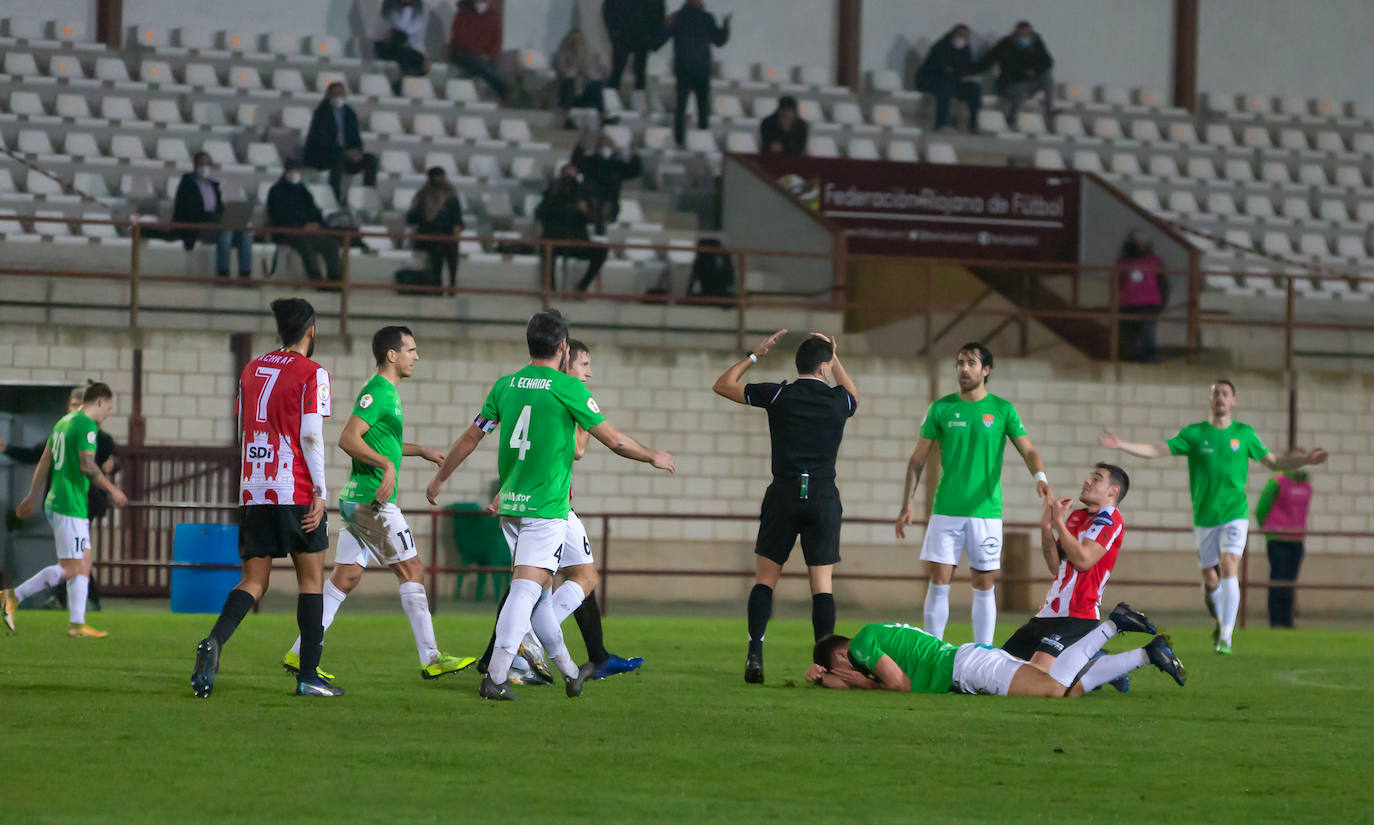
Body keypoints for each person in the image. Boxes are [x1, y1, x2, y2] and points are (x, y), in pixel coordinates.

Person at [424, 310, 675, 700]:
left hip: (511, 507)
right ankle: (497, 675)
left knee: (542, 593)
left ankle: (571, 672)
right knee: (525, 591)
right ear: (562, 347)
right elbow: (615, 441)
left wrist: (441, 477)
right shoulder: (567, 388)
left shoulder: (505, 386)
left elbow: (473, 437)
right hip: (545, 510)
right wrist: (651, 455)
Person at [282, 326, 475, 681]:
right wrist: (386, 466)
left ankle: (299, 653)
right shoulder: (378, 392)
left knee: (347, 576)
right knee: (412, 571)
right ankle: (431, 657)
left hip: (357, 502)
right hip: (373, 502)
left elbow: (383, 444)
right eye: (411, 350)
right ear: (392, 355)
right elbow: (348, 439)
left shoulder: (389, 394)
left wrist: (421, 452)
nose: (416, 356)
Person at [1098, 380, 1328, 654]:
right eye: (1216, 393)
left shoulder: (1244, 434)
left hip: (1235, 513)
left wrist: (1306, 461)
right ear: (1210, 400)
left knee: (1230, 564)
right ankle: (1220, 620)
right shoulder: (1196, 434)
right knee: (1210, 580)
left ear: (1233, 401)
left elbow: (1274, 462)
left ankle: (1226, 638)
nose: (1220, 397)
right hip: (1205, 517)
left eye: (1225, 393)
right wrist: (1122, 444)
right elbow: (1159, 449)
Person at [190, 298, 342, 698]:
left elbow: (247, 426)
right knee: (311, 581)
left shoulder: (251, 368)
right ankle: (308, 675)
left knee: (254, 580)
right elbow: (310, 435)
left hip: (255, 487)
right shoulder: (313, 373)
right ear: (312, 329)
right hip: (295, 487)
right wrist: (321, 492)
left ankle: (215, 641)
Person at [474, 338, 646, 682]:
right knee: (559, 581)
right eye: (584, 365)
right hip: (551, 508)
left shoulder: (531, 391)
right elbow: (579, 451)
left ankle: (521, 655)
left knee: (539, 583)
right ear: (565, 363)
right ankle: (523, 650)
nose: (589, 372)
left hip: (536, 503)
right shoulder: (566, 393)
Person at [713, 330, 859, 684]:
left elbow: (723, 384)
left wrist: (756, 354)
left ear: (798, 365)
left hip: (784, 493)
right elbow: (855, 394)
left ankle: (755, 653)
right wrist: (835, 355)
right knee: (822, 586)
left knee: (765, 580)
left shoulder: (779, 393)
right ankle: (826, 664)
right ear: (823, 368)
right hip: (823, 496)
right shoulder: (838, 400)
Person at [894, 343, 1051, 646]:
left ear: (986, 370)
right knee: (938, 582)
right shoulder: (940, 408)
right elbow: (917, 460)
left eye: (971, 363)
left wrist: (1040, 477)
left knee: (984, 585)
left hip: (986, 511)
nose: (964, 369)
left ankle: (982, 652)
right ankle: (932, 650)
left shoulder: (1003, 409)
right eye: (960, 363)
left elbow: (1029, 449)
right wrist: (907, 504)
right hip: (946, 509)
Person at [807, 603, 1184, 696]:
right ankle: (1150, 654)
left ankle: (1113, 624)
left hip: (968, 669)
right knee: (1060, 688)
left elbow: (899, 684)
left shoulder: (861, 643)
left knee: (1055, 690)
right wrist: (825, 679)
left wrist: (861, 682)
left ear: (841, 657)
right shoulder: (878, 631)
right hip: (970, 662)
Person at [3, 382, 127, 637]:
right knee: (71, 568)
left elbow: (44, 461)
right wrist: (112, 490)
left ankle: (77, 623)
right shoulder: (86, 426)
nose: (108, 413)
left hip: (63, 502)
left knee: (84, 562)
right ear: (100, 401)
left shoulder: (63, 423)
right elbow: (88, 466)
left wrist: (31, 497)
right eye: (109, 407)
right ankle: (13, 597)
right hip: (68, 505)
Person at [1002, 463, 1129, 686]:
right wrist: (1046, 525)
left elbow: (1083, 561)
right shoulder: (1077, 517)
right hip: (1049, 612)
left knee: (1036, 676)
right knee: (1002, 666)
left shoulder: (1110, 517)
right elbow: (1054, 565)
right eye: (1089, 477)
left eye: (1097, 478)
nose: (1087, 481)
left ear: (1113, 491)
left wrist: (1059, 522)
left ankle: (1099, 665)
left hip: (1078, 616)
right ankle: (1090, 659)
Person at [171, 151, 253, 280]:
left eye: (208, 164)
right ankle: (223, 274)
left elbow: (219, 208)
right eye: (202, 164)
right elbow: (187, 209)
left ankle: (245, 274)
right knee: (226, 232)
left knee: (244, 235)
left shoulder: (213, 186)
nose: (205, 167)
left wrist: (224, 216)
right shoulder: (187, 184)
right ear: (195, 165)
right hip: (197, 225)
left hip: (215, 223)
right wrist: (210, 217)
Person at [659, 0, 730, 147]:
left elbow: (661, 37)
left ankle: (679, 140)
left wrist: (662, 23)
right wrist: (726, 25)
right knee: (703, 109)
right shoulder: (707, 18)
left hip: (683, 67)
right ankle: (702, 141)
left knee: (681, 107)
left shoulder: (678, 17)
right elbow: (719, 40)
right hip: (702, 68)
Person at [1255, 451, 1312, 628]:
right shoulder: (1278, 481)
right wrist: (1269, 529)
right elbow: (1261, 508)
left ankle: (1287, 621)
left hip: (1297, 540)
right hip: (1279, 539)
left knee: (1289, 582)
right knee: (1279, 581)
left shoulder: (1306, 484)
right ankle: (1277, 621)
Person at [535, 164, 607, 292]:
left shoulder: (582, 194)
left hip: (577, 240)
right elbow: (540, 213)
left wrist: (586, 211)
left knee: (601, 251)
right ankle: (549, 289)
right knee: (546, 248)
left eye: (573, 176)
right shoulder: (551, 193)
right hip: (555, 238)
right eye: (567, 176)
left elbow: (595, 220)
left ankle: (581, 287)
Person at [267, 160, 342, 282]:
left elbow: (314, 211)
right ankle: (315, 278)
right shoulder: (276, 191)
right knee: (306, 246)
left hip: (308, 231)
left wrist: (317, 224)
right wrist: (301, 226)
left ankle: (335, 279)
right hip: (287, 232)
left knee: (331, 244)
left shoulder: (302, 190)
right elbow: (278, 218)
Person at [302, 82, 380, 201]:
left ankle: (368, 197)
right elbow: (321, 141)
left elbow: (356, 138)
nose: (339, 97)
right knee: (337, 157)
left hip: (347, 156)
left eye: (341, 94)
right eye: (336, 94)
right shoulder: (321, 113)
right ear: (329, 95)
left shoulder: (349, 113)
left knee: (371, 160)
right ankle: (335, 198)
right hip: (324, 156)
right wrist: (344, 152)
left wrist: (357, 152)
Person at [973, 20, 1055, 130]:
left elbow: (1048, 62)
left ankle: (1049, 108)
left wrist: (1034, 70)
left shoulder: (1036, 43)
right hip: (1010, 84)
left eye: (1027, 34)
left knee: (1046, 75)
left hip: (1029, 84)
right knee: (1019, 90)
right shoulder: (1006, 45)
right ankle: (1011, 120)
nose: (1024, 37)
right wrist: (970, 71)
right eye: (1021, 35)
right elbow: (988, 61)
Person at [914, 23, 981, 133]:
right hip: (930, 81)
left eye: (965, 37)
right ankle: (941, 124)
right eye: (960, 35)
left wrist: (966, 75)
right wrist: (958, 74)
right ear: (953, 34)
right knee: (945, 88)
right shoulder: (941, 47)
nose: (962, 39)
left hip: (954, 82)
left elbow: (967, 68)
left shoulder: (966, 49)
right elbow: (942, 70)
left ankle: (973, 125)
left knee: (975, 89)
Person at [571, 135, 642, 235]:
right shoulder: (591, 161)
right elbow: (576, 162)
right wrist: (580, 146)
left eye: (608, 143)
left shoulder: (617, 164)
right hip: (590, 202)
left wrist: (634, 153)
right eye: (602, 143)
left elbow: (635, 170)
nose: (605, 146)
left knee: (606, 210)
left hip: (609, 203)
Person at [405, 167, 465, 287]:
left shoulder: (451, 195)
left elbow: (457, 218)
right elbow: (412, 218)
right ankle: (436, 287)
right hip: (429, 235)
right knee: (434, 265)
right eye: (436, 177)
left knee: (452, 263)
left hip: (448, 235)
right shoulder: (422, 195)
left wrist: (456, 234)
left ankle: (452, 285)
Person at [1116, 230, 1167, 363]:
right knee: (1132, 334)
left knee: (1147, 333)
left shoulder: (1154, 260)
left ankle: (1148, 358)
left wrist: (1161, 303)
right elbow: (1118, 283)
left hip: (1147, 304)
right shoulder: (1123, 262)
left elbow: (1162, 283)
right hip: (1130, 303)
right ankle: (1132, 358)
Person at [603, 0, 665, 110]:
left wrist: (614, 32)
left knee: (634, 75)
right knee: (622, 74)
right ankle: (612, 107)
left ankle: (620, 107)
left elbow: (608, 9)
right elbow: (659, 14)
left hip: (632, 37)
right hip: (633, 37)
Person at [449, 0, 508, 101]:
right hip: (464, 55)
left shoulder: (493, 16)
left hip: (485, 58)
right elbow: (460, 40)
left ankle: (502, 93)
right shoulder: (463, 14)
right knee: (483, 68)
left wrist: (489, 55)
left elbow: (497, 41)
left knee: (485, 68)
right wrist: (477, 53)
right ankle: (503, 89)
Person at [554, 28, 609, 129]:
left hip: (582, 93)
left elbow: (591, 74)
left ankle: (602, 117)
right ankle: (567, 118)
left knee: (596, 85)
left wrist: (583, 67)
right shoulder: (563, 52)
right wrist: (575, 66)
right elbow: (564, 72)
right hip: (567, 93)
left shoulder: (586, 54)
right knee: (569, 81)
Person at [373, 0, 430, 77]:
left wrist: (425, 55)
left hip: (406, 49)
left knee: (419, 60)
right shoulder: (388, 4)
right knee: (400, 38)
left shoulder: (420, 7)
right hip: (388, 48)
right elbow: (384, 33)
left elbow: (418, 39)